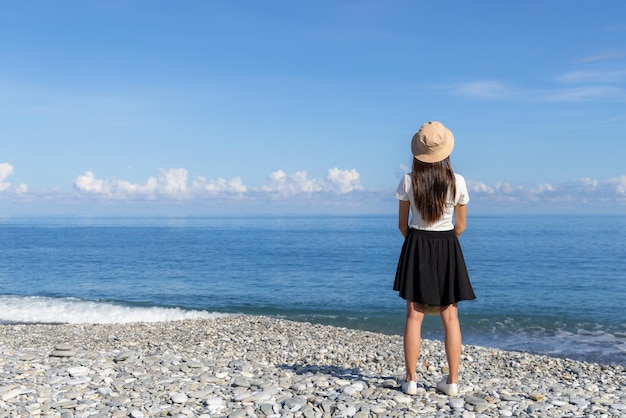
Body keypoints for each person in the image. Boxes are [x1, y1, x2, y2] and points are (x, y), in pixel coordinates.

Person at [393, 120, 476, 397]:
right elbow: (461, 226)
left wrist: (418, 246)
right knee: (450, 316)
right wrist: (444, 247)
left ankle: (411, 380)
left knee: (414, 314)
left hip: (416, 242)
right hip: (447, 243)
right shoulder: (457, 181)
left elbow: (402, 226)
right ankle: (452, 382)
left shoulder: (408, 180)